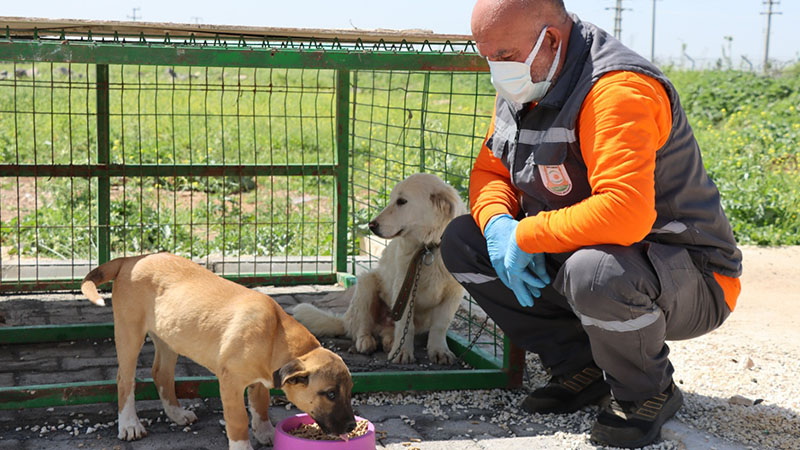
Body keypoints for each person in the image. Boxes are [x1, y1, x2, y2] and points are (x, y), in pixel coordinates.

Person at [439, 0, 743, 448]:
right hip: (594, 252)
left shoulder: (617, 88)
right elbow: (490, 172)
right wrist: (499, 223)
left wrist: (526, 234)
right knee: (465, 240)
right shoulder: (528, 82)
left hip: (690, 274)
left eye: (504, 56)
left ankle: (646, 391)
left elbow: (625, 211)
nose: (495, 71)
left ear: (552, 40)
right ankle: (579, 367)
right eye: (487, 55)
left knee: (596, 273)